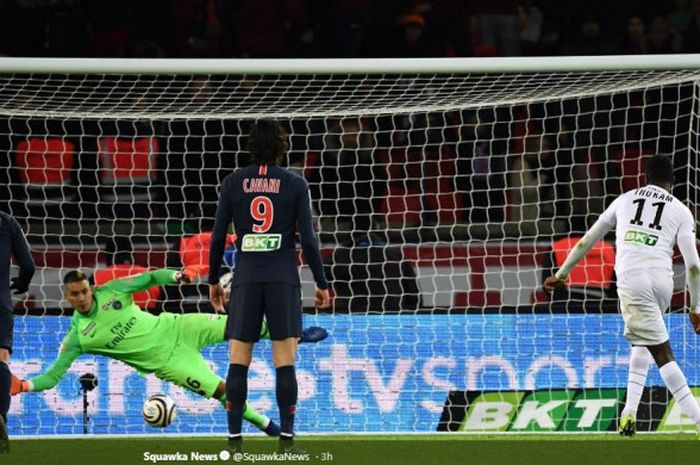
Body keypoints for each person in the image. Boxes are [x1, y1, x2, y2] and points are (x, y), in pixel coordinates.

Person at [10, 268, 324, 435]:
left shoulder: (114, 290)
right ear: (66, 297)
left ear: (91, 288)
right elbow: (53, 376)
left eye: (84, 291)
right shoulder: (78, 337)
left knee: (239, 325)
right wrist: (25, 385)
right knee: (224, 392)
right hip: (171, 362)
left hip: (177, 326)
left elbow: (150, 278)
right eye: (74, 295)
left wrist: (176, 275)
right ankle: (267, 426)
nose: (81, 298)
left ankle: (295, 333)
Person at [544, 155, 700, 437]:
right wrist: (695, 306)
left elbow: (587, 240)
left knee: (662, 353)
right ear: (672, 181)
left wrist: (563, 273)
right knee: (643, 344)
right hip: (663, 281)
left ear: (645, 177)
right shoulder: (681, 210)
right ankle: (629, 414)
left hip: (632, 279)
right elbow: (693, 265)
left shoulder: (625, 199)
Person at [208, 119, 330, 450]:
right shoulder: (294, 184)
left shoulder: (233, 182)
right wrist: (321, 282)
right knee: (284, 360)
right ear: (281, 146)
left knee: (238, 360)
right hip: (283, 278)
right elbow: (309, 239)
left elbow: (219, 237)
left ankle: (234, 438)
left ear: (251, 146)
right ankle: (287, 437)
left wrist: (212, 280)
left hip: (245, 279)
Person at [0, 211, 35, 452]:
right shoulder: (7, 221)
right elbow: (29, 265)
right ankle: (0, 416)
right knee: (0, 360)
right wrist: (22, 283)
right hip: (1, 306)